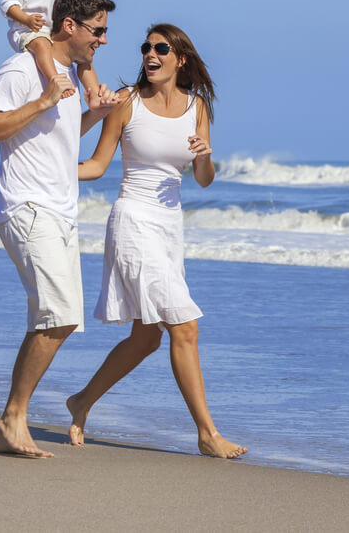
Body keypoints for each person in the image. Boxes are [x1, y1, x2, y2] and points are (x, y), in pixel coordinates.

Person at [67, 23, 248, 459]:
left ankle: (81, 401)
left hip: (170, 227)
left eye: (161, 48)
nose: (151, 53)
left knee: (147, 338)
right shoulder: (128, 101)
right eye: (146, 47)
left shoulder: (197, 106)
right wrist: (43, 171)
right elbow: (96, 165)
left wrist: (205, 157)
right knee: (185, 326)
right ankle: (207, 434)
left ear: (179, 58)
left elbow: (203, 180)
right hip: (132, 219)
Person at [0, 0, 118, 458]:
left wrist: (94, 115)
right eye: (97, 31)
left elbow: (56, 137)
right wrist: (41, 100)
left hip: (59, 211)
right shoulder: (21, 70)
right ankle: (12, 420)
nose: (101, 40)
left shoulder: (64, 77)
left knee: (57, 318)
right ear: (69, 26)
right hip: (27, 207)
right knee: (58, 316)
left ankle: (12, 420)